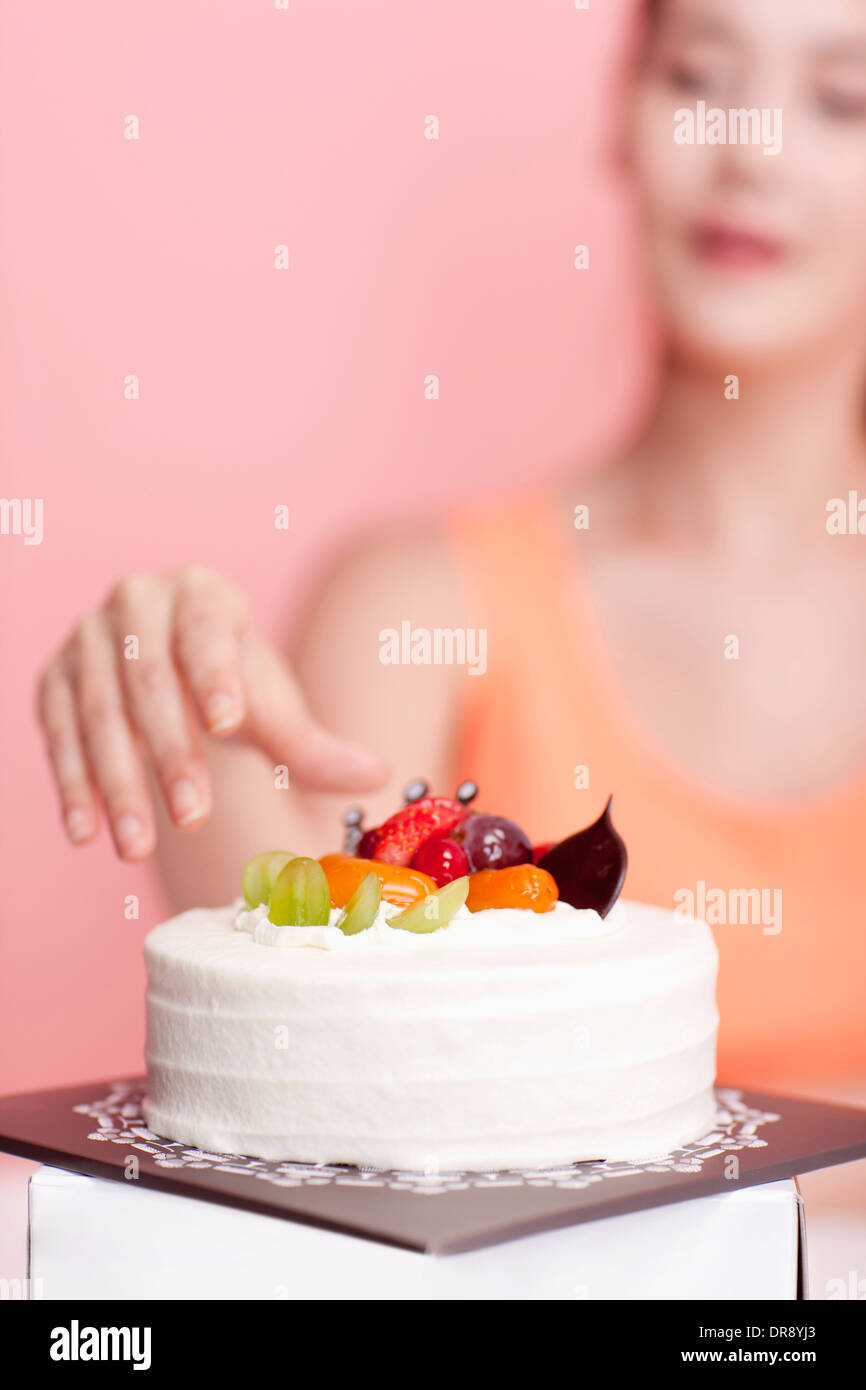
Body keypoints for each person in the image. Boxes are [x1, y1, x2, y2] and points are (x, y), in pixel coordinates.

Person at [36, 0, 866, 1096]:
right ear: (619, 113)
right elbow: (310, 1024)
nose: (748, 155)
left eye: (840, 99)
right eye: (699, 77)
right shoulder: (418, 608)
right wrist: (188, 697)